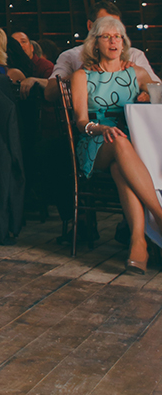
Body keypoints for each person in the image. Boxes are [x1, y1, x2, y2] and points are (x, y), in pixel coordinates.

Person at [70, 16, 162, 274]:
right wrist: (101, 129)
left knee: (121, 171)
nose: (113, 41)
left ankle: (138, 242)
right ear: (95, 43)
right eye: (107, 36)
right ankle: (159, 215)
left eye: (118, 36)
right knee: (119, 143)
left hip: (129, 145)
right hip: (94, 142)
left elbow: (160, 98)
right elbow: (81, 122)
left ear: (124, 42)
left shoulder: (137, 73)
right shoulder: (82, 76)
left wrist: (147, 95)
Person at [28, 2, 157, 101]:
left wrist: (147, 93)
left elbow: (158, 91)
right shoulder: (70, 56)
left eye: (117, 30)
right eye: (105, 28)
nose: (113, 39)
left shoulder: (135, 55)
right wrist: (81, 74)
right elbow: (50, 93)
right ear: (90, 26)